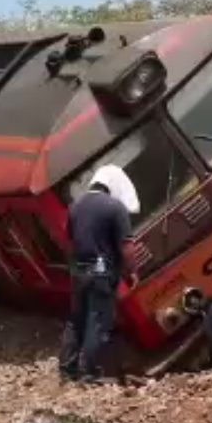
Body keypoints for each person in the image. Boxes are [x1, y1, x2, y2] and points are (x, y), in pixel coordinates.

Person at [59, 165, 140, 384]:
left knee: (77, 319)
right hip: (101, 274)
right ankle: (88, 372)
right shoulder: (115, 208)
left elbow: (69, 242)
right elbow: (127, 247)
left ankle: (67, 369)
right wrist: (131, 272)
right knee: (98, 321)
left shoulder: (75, 207)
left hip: (78, 272)